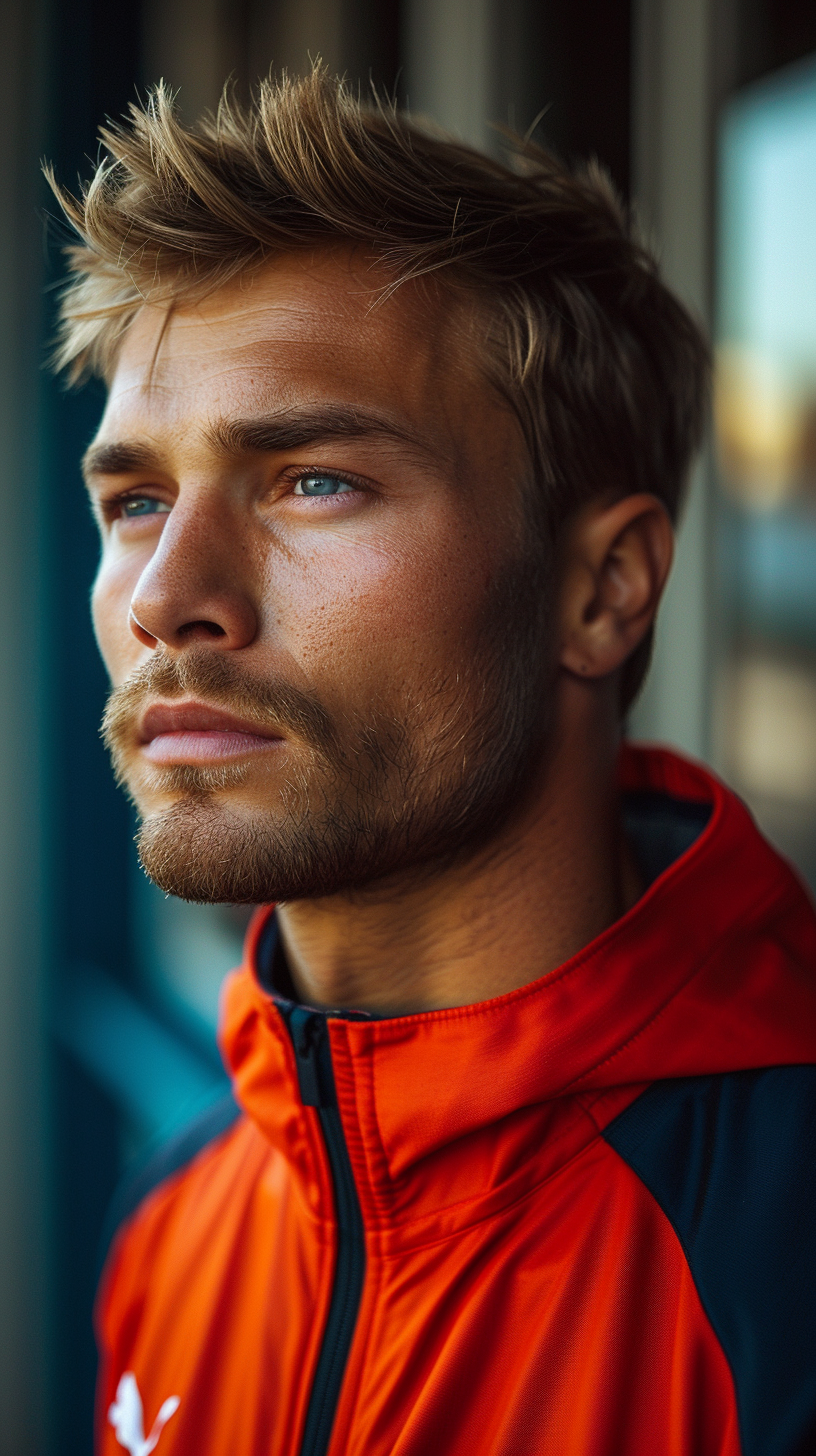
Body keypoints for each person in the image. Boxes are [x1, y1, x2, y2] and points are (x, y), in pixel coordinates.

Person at [50, 68, 816, 1456]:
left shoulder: (781, 1261)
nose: (167, 594)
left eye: (313, 481)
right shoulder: (179, 1209)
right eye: (138, 500)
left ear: (603, 589)